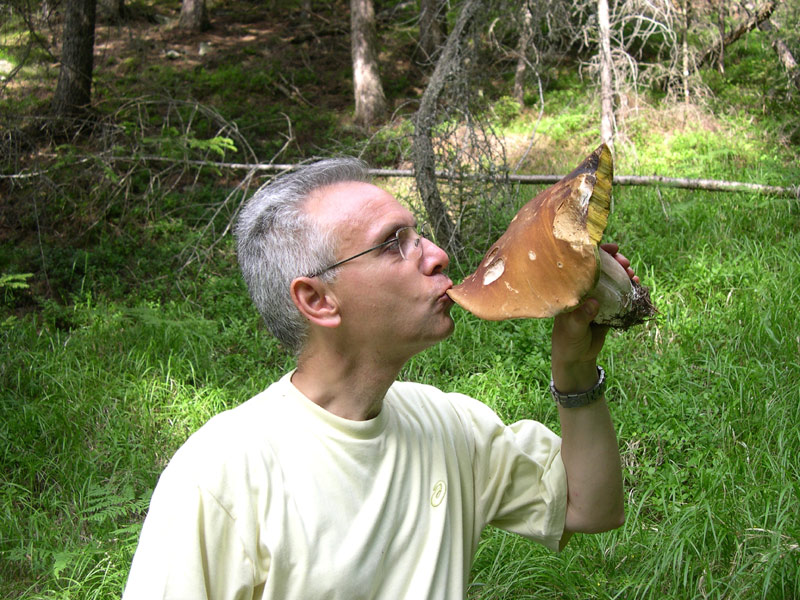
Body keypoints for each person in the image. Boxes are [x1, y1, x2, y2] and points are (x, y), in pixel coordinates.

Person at [123, 157, 632, 599]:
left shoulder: (448, 424)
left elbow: (590, 508)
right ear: (317, 300)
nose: (437, 254)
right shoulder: (221, 475)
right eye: (392, 244)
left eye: (417, 234)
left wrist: (575, 373)